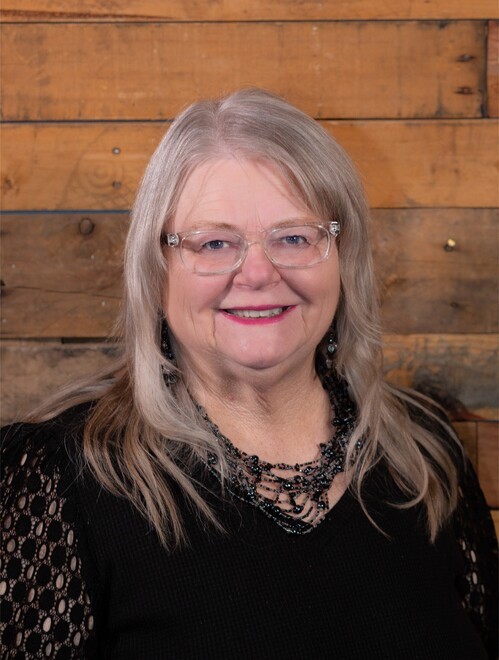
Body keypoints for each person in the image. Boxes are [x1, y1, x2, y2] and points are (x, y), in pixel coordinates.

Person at [1, 88, 497, 660]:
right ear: (156, 272)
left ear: (344, 258)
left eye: (294, 237)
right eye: (215, 243)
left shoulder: (426, 453)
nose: (258, 272)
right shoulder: (58, 482)